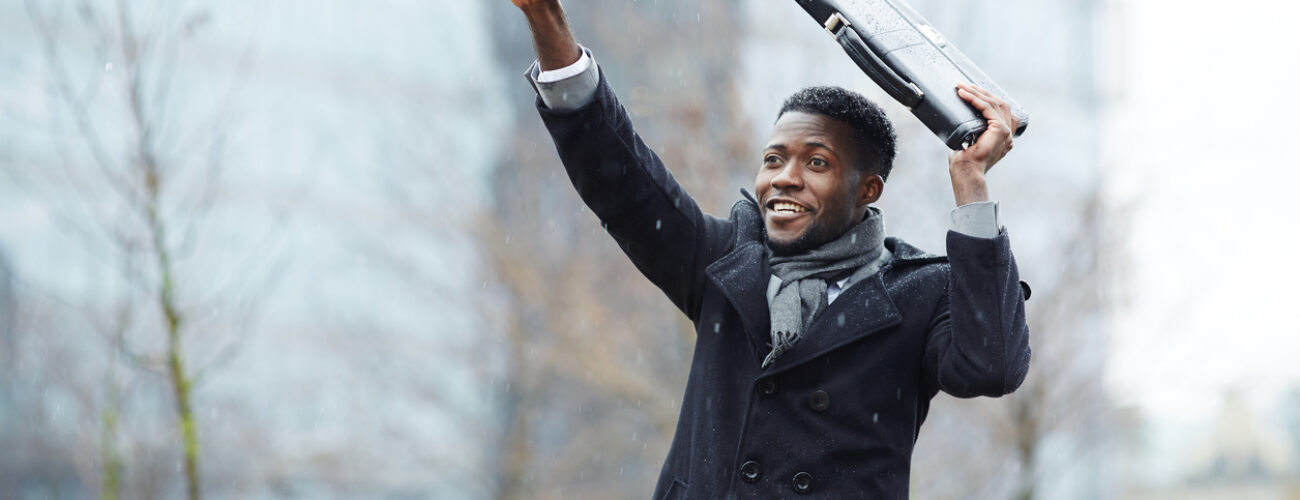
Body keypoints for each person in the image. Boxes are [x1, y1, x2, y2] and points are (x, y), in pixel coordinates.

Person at [509, 0, 1031, 498]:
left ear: (867, 190)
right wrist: (544, 15)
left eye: (817, 163)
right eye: (774, 159)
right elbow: (619, 178)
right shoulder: (727, 264)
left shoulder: (920, 293)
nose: (784, 178)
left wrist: (971, 180)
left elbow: (991, 367)